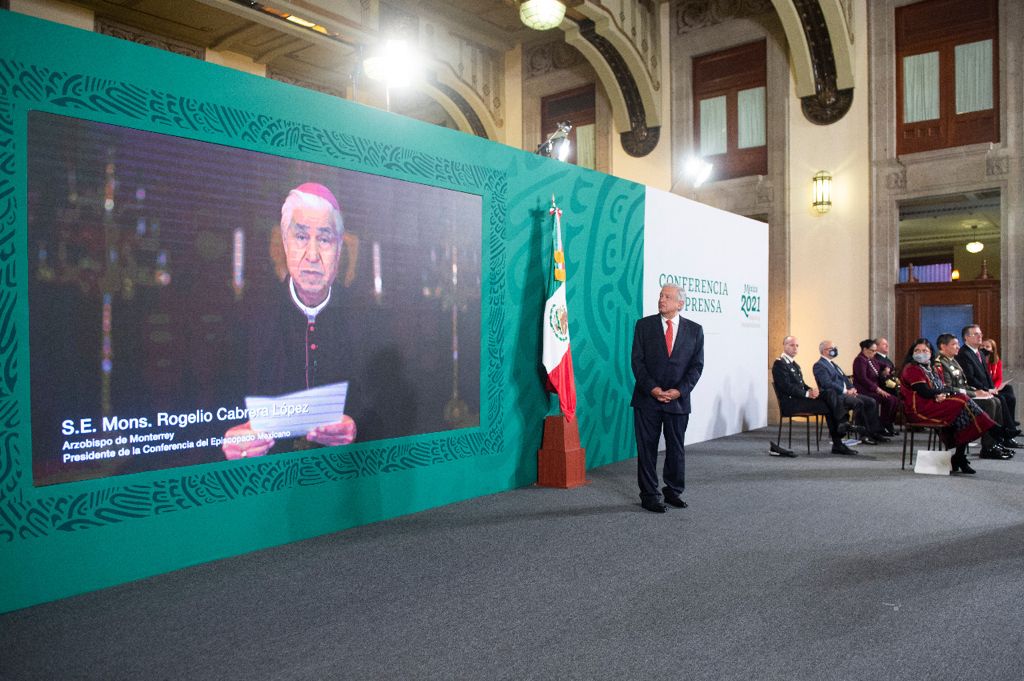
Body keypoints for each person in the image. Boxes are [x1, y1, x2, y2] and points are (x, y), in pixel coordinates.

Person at [222, 182, 358, 460]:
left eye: (324, 239)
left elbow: (388, 413)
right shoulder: (248, 321)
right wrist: (229, 440)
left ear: (339, 249)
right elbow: (215, 411)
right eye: (300, 237)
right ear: (284, 243)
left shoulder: (367, 323)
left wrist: (358, 429)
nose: (312, 256)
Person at [631, 284, 704, 513]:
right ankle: (650, 495)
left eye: (667, 297)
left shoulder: (695, 330)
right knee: (647, 449)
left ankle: (672, 491)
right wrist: (653, 389)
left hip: (678, 400)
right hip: (647, 399)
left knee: (675, 448)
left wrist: (679, 391)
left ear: (679, 303)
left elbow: (696, 367)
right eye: (660, 295)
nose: (661, 299)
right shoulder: (643, 326)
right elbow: (637, 362)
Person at [900, 338, 998, 474]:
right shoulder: (911, 368)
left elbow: (940, 387)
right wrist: (940, 394)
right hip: (919, 408)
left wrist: (942, 394)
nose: (920, 353)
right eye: (917, 350)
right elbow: (924, 391)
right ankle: (992, 430)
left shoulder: (932, 367)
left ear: (930, 353)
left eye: (924, 350)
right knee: (962, 401)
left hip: (934, 402)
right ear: (912, 353)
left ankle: (959, 456)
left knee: (962, 413)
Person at [772, 335, 857, 455]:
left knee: (829, 394)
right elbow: (786, 387)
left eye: (797, 345)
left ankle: (842, 430)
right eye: (791, 345)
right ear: (784, 346)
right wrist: (806, 393)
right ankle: (841, 433)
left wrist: (811, 390)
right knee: (829, 405)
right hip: (791, 403)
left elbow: (802, 385)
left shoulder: (794, 364)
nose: (795, 348)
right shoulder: (779, 364)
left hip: (800, 399)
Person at [934, 333, 1011, 460]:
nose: (958, 347)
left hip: (962, 397)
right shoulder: (940, 363)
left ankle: (994, 442)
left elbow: (964, 384)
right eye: (954, 344)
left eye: (958, 344)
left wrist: (979, 391)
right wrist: (974, 394)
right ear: (943, 346)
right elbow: (947, 388)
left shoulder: (953, 361)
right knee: (989, 404)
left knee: (995, 400)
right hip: (951, 400)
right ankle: (988, 446)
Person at [813, 340, 887, 445]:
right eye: (832, 348)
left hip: (846, 393)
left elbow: (845, 379)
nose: (835, 350)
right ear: (824, 351)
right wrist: (845, 391)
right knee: (859, 402)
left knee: (871, 401)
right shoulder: (819, 365)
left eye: (835, 347)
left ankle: (873, 432)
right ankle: (864, 434)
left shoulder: (833, 364)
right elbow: (827, 383)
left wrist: (852, 388)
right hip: (836, 396)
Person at [957, 324, 1020, 439]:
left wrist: (992, 389)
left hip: (985, 389)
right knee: (998, 399)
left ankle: (1005, 435)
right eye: (976, 334)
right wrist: (988, 390)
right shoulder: (964, 354)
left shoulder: (979, 352)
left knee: (1004, 394)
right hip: (974, 391)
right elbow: (970, 378)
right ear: (966, 337)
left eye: (980, 334)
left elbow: (987, 375)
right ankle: (1005, 434)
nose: (980, 336)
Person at [851, 339, 898, 435]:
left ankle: (885, 424)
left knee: (894, 400)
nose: (874, 353)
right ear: (864, 349)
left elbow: (885, 364)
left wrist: (886, 369)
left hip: (873, 389)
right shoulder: (860, 360)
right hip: (864, 390)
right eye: (872, 350)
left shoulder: (871, 359)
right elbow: (863, 379)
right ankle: (879, 427)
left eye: (875, 351)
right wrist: (878, 389)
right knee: (888, 399)